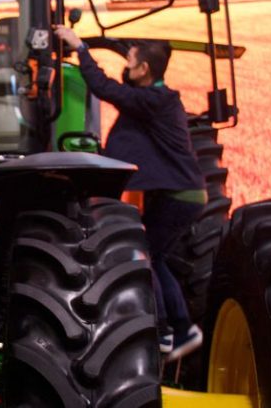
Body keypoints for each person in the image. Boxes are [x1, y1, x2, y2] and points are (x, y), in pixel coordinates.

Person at [54, 25, 205, 362]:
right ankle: (181, 330)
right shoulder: (153, 99)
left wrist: (80, 48)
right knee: (156, 257)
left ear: (144, 70)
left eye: (131, 60)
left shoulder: (155, 100)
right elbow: (122, 87)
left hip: (180, 197)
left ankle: (164, 331)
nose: (127, 65)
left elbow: (105, 88)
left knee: (145, 256)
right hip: (179, 195)